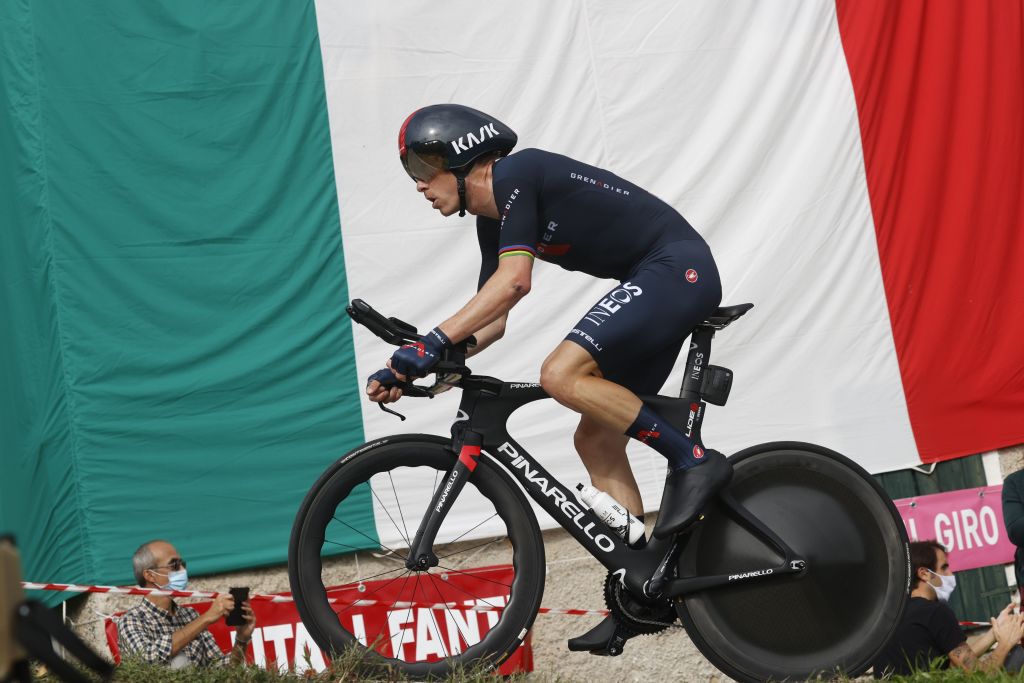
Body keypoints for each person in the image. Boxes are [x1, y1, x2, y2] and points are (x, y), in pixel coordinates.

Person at [367, 104, 731, 653]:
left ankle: (693, 461)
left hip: (675, 267)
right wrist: (419, 361)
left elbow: (515, 282)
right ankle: (640, 587)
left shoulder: (518, 176)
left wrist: (435, 342)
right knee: (594, 436)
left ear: (461, 157)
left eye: (421, 168)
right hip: (657, 277)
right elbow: (495, 318)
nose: (418, 185)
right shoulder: (494, 219)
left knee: (561, 373)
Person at [871, 540, 1024, 676]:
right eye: (944, 568)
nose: (950, 574)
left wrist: (994, 632)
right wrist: (1006, 642)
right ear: (924, 574)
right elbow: (980, 675)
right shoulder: (935, 612)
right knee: (1017, 654)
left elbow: (957, 660)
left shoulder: (891, 615)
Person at [117, 540, 255, 668]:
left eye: (183, 564)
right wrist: (206, 618)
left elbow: (221, 671)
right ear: (150, 575)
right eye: (175, 565)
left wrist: (241, 639)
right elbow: (148, 658)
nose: (183, 570)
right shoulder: (131, 620)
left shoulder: (190, 615)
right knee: (179, 663)